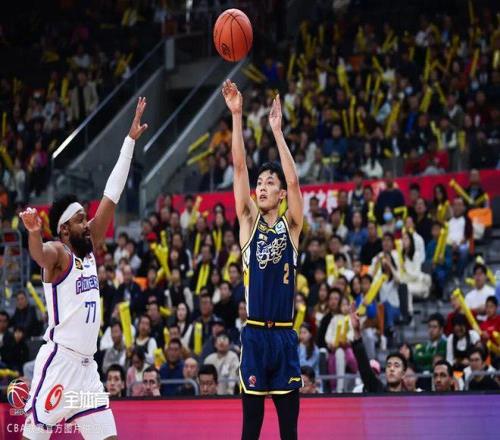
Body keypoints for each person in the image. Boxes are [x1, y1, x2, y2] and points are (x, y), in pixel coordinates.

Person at [19, 97, 147, 438]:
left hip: (88, 371)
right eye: (80, 220)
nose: (87, 224)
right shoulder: (58, 253)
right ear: (64, 229)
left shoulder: (89, 248)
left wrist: (129, 142)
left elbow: (111, 195)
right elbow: (39, 254)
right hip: (59, 365)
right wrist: (34, 233)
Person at [223, 80, 303, 440]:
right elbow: (239, 168)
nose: (262, 186)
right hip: (255, 335)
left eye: (271, 182)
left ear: (281, 193)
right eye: (261, 183)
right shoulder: (248, 222)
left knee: (289, 433)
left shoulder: (292, 226)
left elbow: (295, 182)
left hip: (284, 336)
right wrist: (237, 115)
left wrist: (277, 132)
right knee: (250, 431)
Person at [350, 304, 407, 392]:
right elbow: (365, 369)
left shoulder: (410, 396)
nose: (391, 369)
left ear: (403, 374)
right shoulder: (378, 390)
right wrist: (357, 332)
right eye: (388, 366)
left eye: (396, 366)